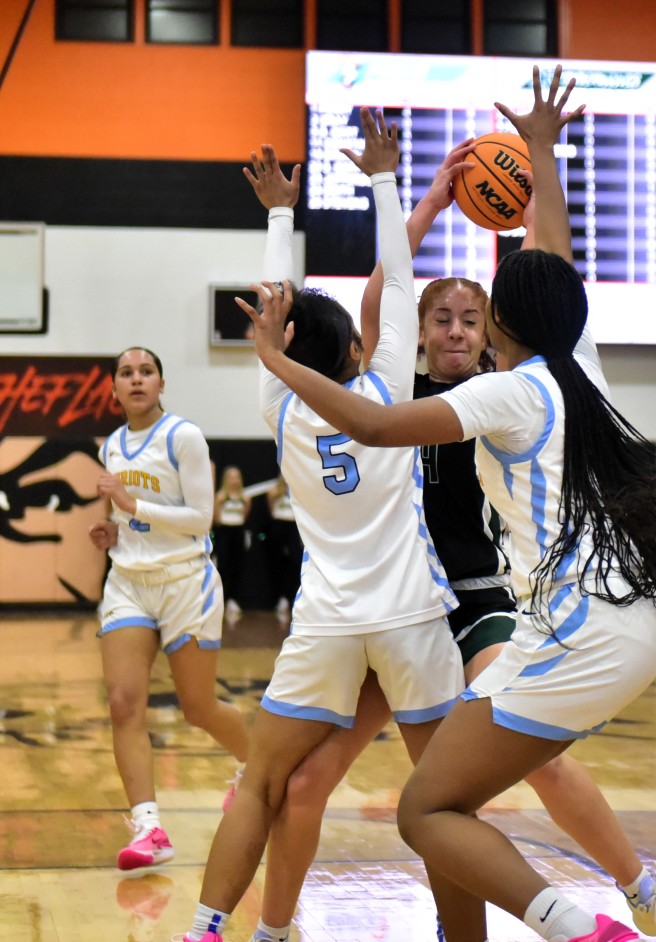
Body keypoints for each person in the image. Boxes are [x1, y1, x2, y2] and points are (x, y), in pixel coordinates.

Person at [236, 65, 656, 942]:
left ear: (492, 330)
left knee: (440, 800)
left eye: (473, 317)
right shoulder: (571, 362)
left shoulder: (493, 393)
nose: (455, 328)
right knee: (360, 783)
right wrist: (536, 159)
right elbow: (521, 268)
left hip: (509, 607)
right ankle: (286, 926)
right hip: (421, 607)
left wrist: (274, 361)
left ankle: (605, 911)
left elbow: (370, 417)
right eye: (441, 317)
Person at [179, 108, 473, 942]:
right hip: (412, 616)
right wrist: (384, 178)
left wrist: (280, 214)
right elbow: (400, 277)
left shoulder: (280, 406)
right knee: (442, 801)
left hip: (329, 620)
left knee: (261, 785)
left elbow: (278, 307)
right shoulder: (386, 390)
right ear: (355, 355)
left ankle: (206, 929)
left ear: (287, 349)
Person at [89, 347, 250, 871]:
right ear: (113, 389)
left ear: (161, 383)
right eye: (126, 374)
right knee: (122, 702)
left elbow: (201, 519)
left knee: (197, 707)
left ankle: (259, 769)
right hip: (130, 583)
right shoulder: (111, 444)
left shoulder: (183, 436)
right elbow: (125, 510)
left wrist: (135, 506)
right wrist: (112, 527)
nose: (136, 380)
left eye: (146, 372)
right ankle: (149, 827)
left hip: (186, 580)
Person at [212, 464, 249, 615]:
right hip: (224, 532)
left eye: (236, 477)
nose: (234, 480)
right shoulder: (220, 497)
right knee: (223, 565)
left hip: (238, 532)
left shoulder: (245, 498)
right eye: (231, 477)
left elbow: (244, 516)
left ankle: (233, 599)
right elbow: (217, 519)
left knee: (237, 566)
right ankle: (221, 599)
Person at [265, 478, 301, 614]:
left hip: (293, 525)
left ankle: (292, 597)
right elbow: (270, 507)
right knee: (277, 561)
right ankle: (280, 598)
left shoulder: (298, 488)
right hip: (278, 524)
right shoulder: (275, 490)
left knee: (294, 561)